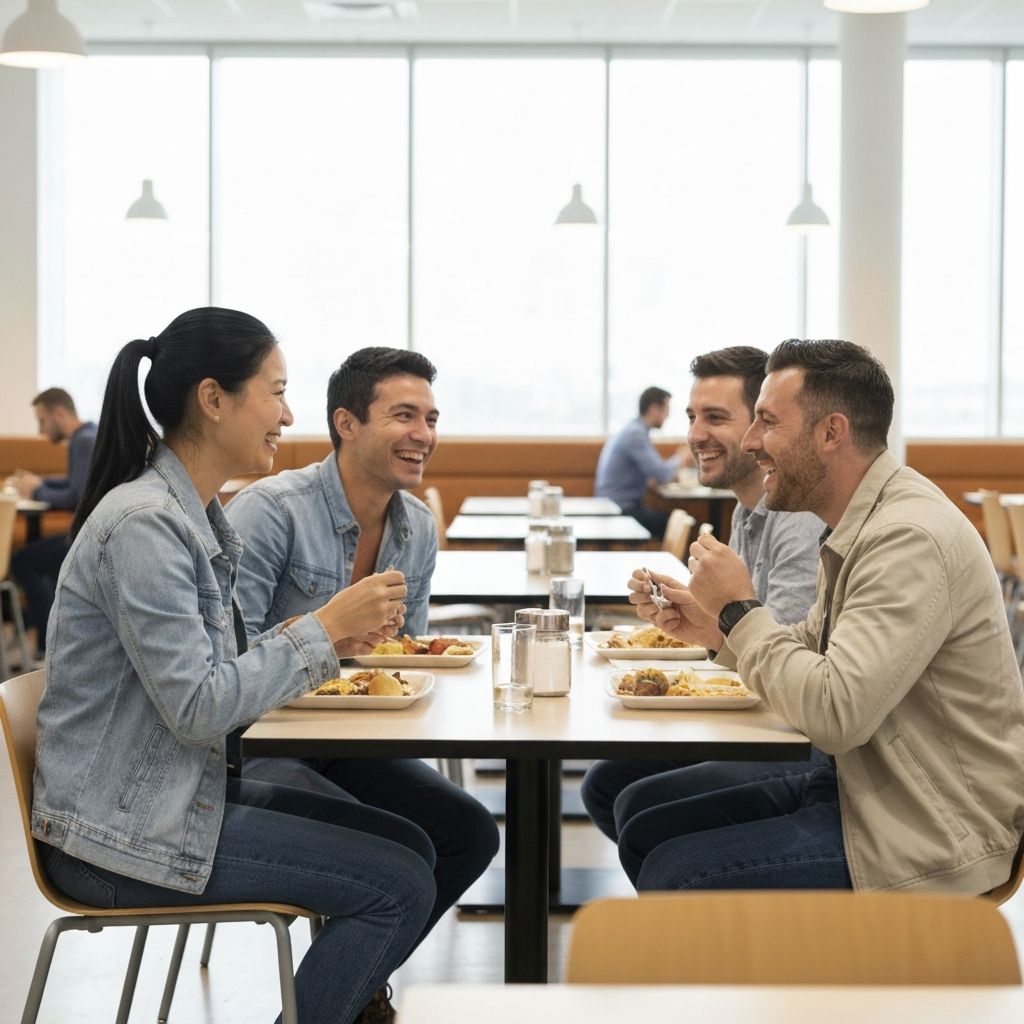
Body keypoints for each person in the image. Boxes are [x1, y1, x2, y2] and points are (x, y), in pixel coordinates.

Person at [31, 308, 438, 1024]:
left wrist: (328, 644)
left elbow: (219, 688)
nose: (286, 415)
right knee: (399, 883)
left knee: (412, 841)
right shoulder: (145, 525)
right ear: (214, 400)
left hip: (166, 799)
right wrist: (320, 630)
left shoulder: (190, 517)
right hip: (118, 837)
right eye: (275, 392)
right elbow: (198, 709)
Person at [624, 338, 1024, 894]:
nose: (750, 442)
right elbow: (810, 651)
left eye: (766, 422)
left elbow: (835, 714)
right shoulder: (861, 520)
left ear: (831, 433)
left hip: (934, 830)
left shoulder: (907, 537)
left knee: (675, 871)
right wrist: (715, 628)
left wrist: (741, 608)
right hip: (865, 785)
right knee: (646, 823)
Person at [224, 347, 499, 991]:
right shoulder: (271, 511)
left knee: (469, 833)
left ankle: (352, 984)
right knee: (397, 850)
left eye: (431, 418)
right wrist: (334, 632)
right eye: (404, 415)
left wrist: (398, 653)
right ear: (346, 423)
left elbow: (406, 656)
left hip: (352, 737)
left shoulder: (418, 526)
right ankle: (350, 996)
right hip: (256, 742)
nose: (424, 434)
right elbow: (226, 660)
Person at [582, 346, 826, 844]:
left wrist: (719, 624)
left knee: (637, 804)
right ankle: (698, 906)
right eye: (692, 417)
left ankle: (704, 902)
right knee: (607, 784)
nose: (694, 435)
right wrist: (701, 622)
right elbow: (751, 642)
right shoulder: (744, 512)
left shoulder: (799, 519)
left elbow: (786, 656)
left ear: (762, 426)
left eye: (715, 418)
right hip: (764, 704)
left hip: (805, 734)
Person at [10, 388, 97, 654]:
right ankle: (46, 641)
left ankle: (50, 643)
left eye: (42, 420)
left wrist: (36, 490)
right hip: (90, 532)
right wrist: (40, 481)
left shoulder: (83, 441)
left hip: (87, 537)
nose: (41, 430)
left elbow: (77, 495)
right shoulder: (89, 433)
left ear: (59, 413)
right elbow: (75, 482)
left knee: (24, 562)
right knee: (37, 560)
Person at [594, 385, 688, 538]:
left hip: (613, 505)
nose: (667, 416)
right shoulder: (635, 435)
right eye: (666, 410)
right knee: (672, 524)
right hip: (618, 509)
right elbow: (662, 474)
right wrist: (683, 457)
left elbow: (654, 475)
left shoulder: (632, 429)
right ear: (653, 408)